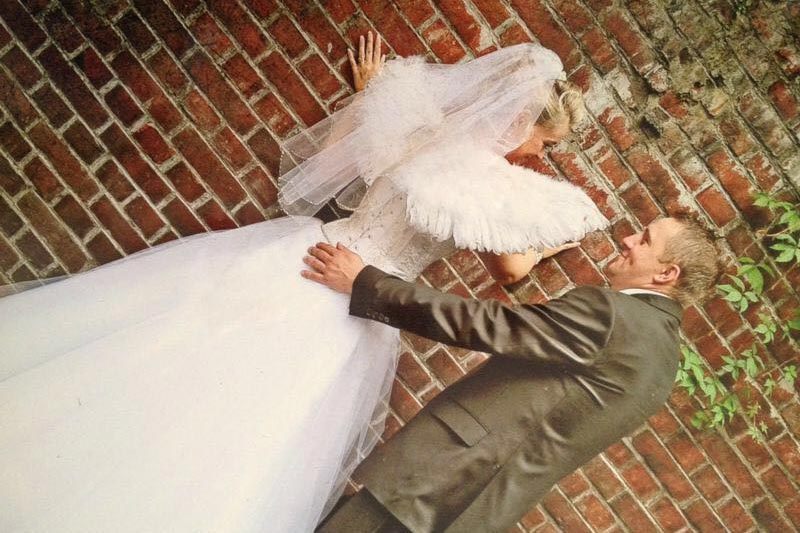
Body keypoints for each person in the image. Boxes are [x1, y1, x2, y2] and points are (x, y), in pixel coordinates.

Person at [0, 35, 605, 532]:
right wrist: (553, 242)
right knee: (252, 427)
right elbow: (510, 270)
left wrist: (369, 100)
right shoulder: (493, 189)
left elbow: (341, 161)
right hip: (350, 302)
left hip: (301, 258)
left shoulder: (417, 127)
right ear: (520, 118)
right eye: (542, 142)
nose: (536, 155)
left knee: (182, 358)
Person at [306, 216, 722, 532]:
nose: (628, 239)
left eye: (645, 239)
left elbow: (483, 323)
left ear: (667, 273)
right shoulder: (664, 364)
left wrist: (367, 284)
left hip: (432, 479)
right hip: (476, 510)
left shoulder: (615, 316)